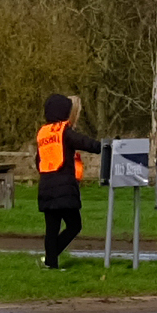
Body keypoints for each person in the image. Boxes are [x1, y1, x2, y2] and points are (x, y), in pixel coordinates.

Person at [35, 93, 99, 269]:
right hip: (64, 187)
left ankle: (51, 264)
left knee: (51, 228)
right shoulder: (64, 132)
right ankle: (51, 257)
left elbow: (37, 161)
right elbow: (84, 142)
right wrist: (102, 146)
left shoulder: (43, 133)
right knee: (74, 225)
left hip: (46, 186)